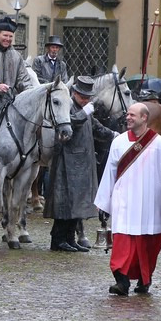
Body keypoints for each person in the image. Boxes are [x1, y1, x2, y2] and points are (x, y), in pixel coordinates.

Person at [94, 102, 161, 295]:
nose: (128, 117)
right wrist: (103, 203)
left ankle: (144, 280)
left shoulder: (159, 143)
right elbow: (109, 173)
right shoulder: (118, 143)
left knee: (148, 245)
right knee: (122, 242)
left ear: (144, 118)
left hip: (151, 203)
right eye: (127, 114)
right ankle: (121, 281)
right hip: (124, 201)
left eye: (133, 115)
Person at [48, 76, 116, 252]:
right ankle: (58, 239)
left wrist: (114, 135)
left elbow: (97, 128)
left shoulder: (84, 108)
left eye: (88, 97)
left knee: (76, 203)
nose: (86, 99)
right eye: (82, 96)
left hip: (82, 162)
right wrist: (84, 112)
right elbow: (69, 123)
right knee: (65, 202)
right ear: (75, 93)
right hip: (67, 161)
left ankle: (70, 238)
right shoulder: (69, 106)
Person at [0, 15, 36, 144]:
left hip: (10, 101)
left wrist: (31, 92)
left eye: (10, 36)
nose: (8, 39)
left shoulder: (17, 56)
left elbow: (23, 79)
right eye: (5, 35)